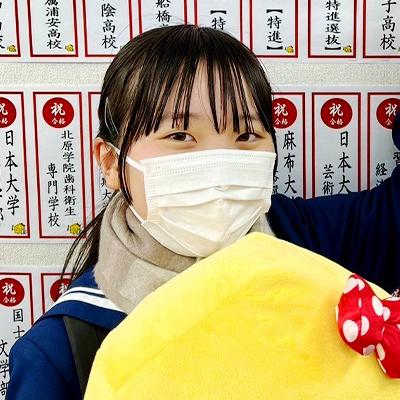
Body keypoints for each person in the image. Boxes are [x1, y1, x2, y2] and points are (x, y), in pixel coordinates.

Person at [6, 24, 400, 400]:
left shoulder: (305, 241)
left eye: (246, 134)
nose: (219, 166)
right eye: (180, 135)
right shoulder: (64, 350)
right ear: (110, 162)